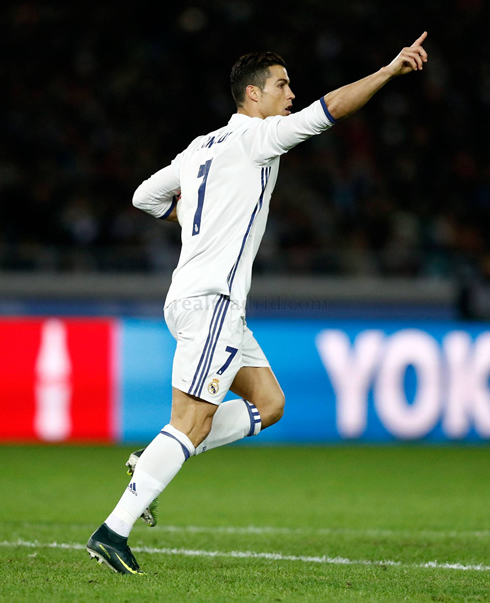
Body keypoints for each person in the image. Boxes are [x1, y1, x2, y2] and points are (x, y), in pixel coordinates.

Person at [87, 32, 429, 574]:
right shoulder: (257, 138)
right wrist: (387, 72)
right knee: (190, 422)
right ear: (252, 96)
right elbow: (331, 109)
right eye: (281, 84)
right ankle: (113, 530)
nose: (291, 93)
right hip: (212, 301)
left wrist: (196, 212)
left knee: (269, 403)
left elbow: (144, 196)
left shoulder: (200, 147)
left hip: (199, 301)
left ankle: (155, 462)